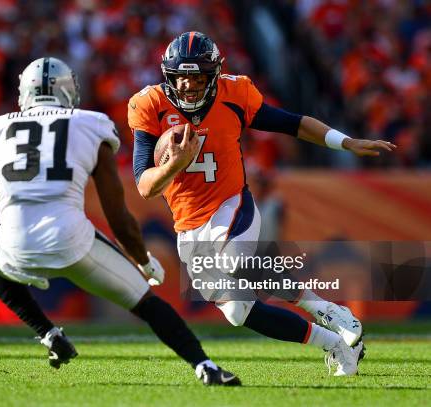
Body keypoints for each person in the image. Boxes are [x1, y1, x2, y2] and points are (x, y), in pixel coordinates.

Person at [0, 57, 241, 386]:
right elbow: (117, 213)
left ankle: (49, 334)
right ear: (69, 91)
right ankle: (204, 366)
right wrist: (142, 260)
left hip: (15, 247)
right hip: (73, 243)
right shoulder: (90, 124)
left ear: (24, 92)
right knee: (146, 302)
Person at [128, 32, 396, 376]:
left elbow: (293, 124)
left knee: (235, 259)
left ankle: (328, 309)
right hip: (187, 224)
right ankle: (334, 344)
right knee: (238, 313)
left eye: (197, 78)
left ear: (214, 75)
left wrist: (345, 142)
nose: (189, 86)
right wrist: (173, 165)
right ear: (168, 76)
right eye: (182, 77)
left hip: (230, 203)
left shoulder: (234, 93)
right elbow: (144, 186)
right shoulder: (149, 104)